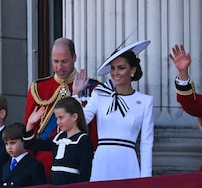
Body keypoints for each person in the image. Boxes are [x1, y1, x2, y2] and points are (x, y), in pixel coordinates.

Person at [73, 40, 154, 181]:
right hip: (102, 162)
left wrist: (146, 178)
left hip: (128, 163)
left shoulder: (146, 101)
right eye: (113, 68)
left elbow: (147, 143)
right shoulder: (99, 94)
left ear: (132, 70)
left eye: (121, 68)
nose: (115, 73)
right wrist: (76, 94)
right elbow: (78, 123)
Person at [24, 37, 100, 182]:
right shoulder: (38, 88)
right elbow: (30, 129)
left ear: (74, 58)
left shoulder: (93, 88)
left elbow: (95, 133)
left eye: (64, 61)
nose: (59, 67)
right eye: (55, 61)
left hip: (76, 164)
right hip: (43, 163)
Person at [23, 96, 93, 185]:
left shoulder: (83, 140)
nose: (58, 122)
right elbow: (30, 144)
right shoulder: (58, 138)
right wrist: (30, 124)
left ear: (74, 116)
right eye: (57, 118)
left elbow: (85, 172)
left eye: (61, 117)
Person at [1, 122, 46, 187]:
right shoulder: (5, 166)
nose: (9, 147)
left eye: (12, 143)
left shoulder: (34, 165)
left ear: (24, 141)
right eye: (6, 144)